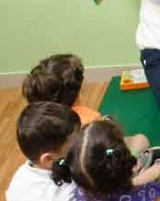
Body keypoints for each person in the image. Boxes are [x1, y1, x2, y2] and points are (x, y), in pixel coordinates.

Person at [22, 53, 150, 156]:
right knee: (140, 140)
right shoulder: (88, 117)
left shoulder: (38, 124)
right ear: (76, 91)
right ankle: (133, 167)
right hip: (97, 169)